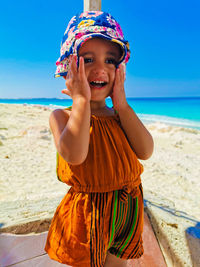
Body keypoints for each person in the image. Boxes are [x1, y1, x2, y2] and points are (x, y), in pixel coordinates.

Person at [45, 11, 154, 267]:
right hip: (89, 213)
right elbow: (75, 154)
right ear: (69, 66)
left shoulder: (120, 115)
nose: (100, 68)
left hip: (128, 208)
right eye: (88, 59)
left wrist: (122, 104)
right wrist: (81, 100)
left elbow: (146, 150)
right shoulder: (61, 116)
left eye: (110, 60)